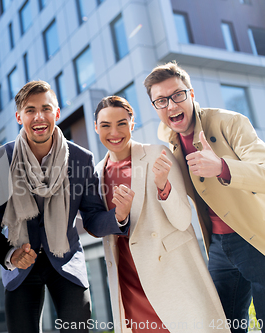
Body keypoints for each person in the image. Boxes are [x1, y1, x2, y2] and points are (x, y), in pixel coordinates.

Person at [0, 80, 130, 333]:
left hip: (67, 261)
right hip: (20, 264)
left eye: (46, 109)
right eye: (30, 110)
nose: (39, 117)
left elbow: (92, 219)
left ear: (57, 113)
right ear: (19, 116)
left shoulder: (81, 159)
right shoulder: (0, 158)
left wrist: (119, 217)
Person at [144, 61, 265, 333]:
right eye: (161, 101)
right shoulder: (170, 142)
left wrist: (222, 167)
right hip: (219, 248)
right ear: (155, 107)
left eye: (177, 95)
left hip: (254, 238)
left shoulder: (229, 122)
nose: (171, 105)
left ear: (191, 94)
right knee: (223, 326)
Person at [94, 95, 229, 332]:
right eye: (105, 125)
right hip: (129, 280)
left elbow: (182, 220)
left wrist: (163, 186)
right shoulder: (96, 174)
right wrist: (120, 216)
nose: (114, 132)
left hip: (170, 273)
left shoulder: (158, 153)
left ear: (132, 123)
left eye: (122, 123)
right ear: (96, 127)